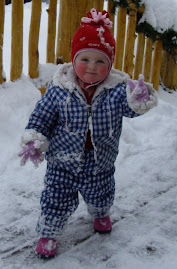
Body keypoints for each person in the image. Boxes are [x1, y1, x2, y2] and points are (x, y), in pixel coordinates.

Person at [18, 8, 158, 259]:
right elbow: (43, 115)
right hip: (62, 162)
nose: (92, 67)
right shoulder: (61, 89)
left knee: (101, 193)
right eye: (85, 59)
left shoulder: (115, 90)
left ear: (110, 64)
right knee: (55, 200)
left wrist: (139, 98)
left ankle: (101, 212)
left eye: (100, 61)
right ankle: (48, 233)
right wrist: (35, 138)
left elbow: (131, 108)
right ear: (74, 59)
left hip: (99, 162)